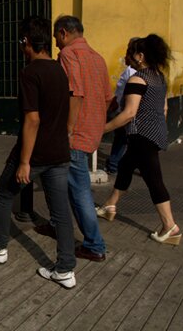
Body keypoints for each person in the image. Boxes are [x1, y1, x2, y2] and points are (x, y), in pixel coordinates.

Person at [0, 16, 76, 289]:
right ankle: (65, 269)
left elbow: (32, 119)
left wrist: (25, 162)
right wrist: (67, 131)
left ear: (26, 42)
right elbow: (72, 102)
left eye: (22, 42)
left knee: (4, 194)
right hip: (60, 152)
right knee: (61, 211)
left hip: (37, 153)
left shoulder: (30, 73)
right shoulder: (58, 69)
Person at [97, 35, 181, 245]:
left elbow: (129, 113)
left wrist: (102, 129)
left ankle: (169, 226)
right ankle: (110, 206)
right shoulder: (159, 77)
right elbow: (164, 108)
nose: (127, 55)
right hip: (154, 133)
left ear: (140, 56)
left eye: (130, 51)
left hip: (142, 135)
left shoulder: (137, 79)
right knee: (125, 166)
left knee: (154, 180)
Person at [50, 15, 112, 262]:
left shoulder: (68, 54)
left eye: (56, 38)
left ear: (63, 33)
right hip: (92, 131)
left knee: (79, 190)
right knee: (65, 183)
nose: (56, 44)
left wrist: (68, 127)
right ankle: (58, 224)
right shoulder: (98, 57)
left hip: (75, 134)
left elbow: (75, 92)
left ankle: (95, 244)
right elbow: (108, 97)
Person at [105, 39, 138, 174]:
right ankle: (113, 164)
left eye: (128, 53)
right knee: (122, 139)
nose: (125, 56)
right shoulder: (130, 72)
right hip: (122, 109)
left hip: (124, 110)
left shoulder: (132, 73)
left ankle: (114, 164)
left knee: (123, 139)